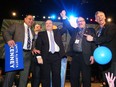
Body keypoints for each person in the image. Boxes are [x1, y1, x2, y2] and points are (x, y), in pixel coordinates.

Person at [60, 10, 96, 87]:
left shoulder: (91, 30)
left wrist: (93, 55)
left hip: (86, 56)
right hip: (75, 56)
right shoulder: (75, 31)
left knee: (86, 78)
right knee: (74, 77)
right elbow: (68, 26)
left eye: (82, 21)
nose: (80, 22)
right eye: (78, 21)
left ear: (85, 22)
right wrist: (64, 16)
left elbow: (94, 44)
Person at [84, 11, 116, 87]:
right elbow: (97, 45)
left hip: (112, 59)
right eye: (97, 17)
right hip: (103, 60)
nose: (100, 17)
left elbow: (107, 38)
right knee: (106, 80)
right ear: (96, 20)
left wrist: (93, 38)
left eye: (101, 15)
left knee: (113, 80)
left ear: (105, 17)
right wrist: (93, 55)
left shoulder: (111, 26)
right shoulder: (98, 30)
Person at [2, 15, 35, 87]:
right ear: (25, 19)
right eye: (29, 19)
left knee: (24, 77)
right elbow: (6, 32)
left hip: (28, 55)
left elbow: (32, 42)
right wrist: (9, 40)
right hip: (17, 52)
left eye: (32, 20)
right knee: (10, 75)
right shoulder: (17, 26)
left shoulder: (32, 31)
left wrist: (33, 48)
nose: (31, 20)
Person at [35, 20, 66, 87]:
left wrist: (64, 17)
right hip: (45, 57)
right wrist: (38, 57)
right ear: (45, 25)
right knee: (45, 76)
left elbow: (66, 27)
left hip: (57, 56)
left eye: (50, 23)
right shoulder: (41, 34)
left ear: (53, 25)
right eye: (46, 23)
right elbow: (38, 46)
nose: (48, 24)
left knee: (56, 76)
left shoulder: (58, 32)